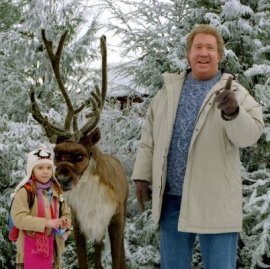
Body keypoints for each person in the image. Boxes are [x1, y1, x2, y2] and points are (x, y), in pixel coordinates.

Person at [131, 24, 264, 269]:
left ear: (219, 55)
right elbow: (149, 137)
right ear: (188, 54)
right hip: (172, 199)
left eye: (210, 48)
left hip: (216, 202)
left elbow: (251, 135)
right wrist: (142, 175)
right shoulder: (167, 93)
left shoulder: (235, 92)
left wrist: (233, 112)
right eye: (198, 47)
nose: (204, 53)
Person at [10, 145, 71, 269]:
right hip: (29, 252)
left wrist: (66, 221)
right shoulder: (25, 192)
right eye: (40, 168)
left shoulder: (57, 191)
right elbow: (19, 218)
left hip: (53, 252)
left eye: (49, 168)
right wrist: (46, 223)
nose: (45, 171)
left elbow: (66, 212)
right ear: (32, 170)